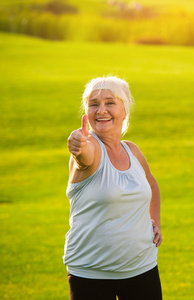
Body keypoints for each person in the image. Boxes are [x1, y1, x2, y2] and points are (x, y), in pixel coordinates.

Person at [64, 76, 163, 300]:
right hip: (91, 275)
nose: (101, 110)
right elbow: (83, 158)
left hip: (142, 268)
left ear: (124, 110)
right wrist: (77, 146)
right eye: (93, 104)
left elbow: (151, 184)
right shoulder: (90, 147)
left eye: (110, 103)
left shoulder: (132, 151)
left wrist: (155, 220)